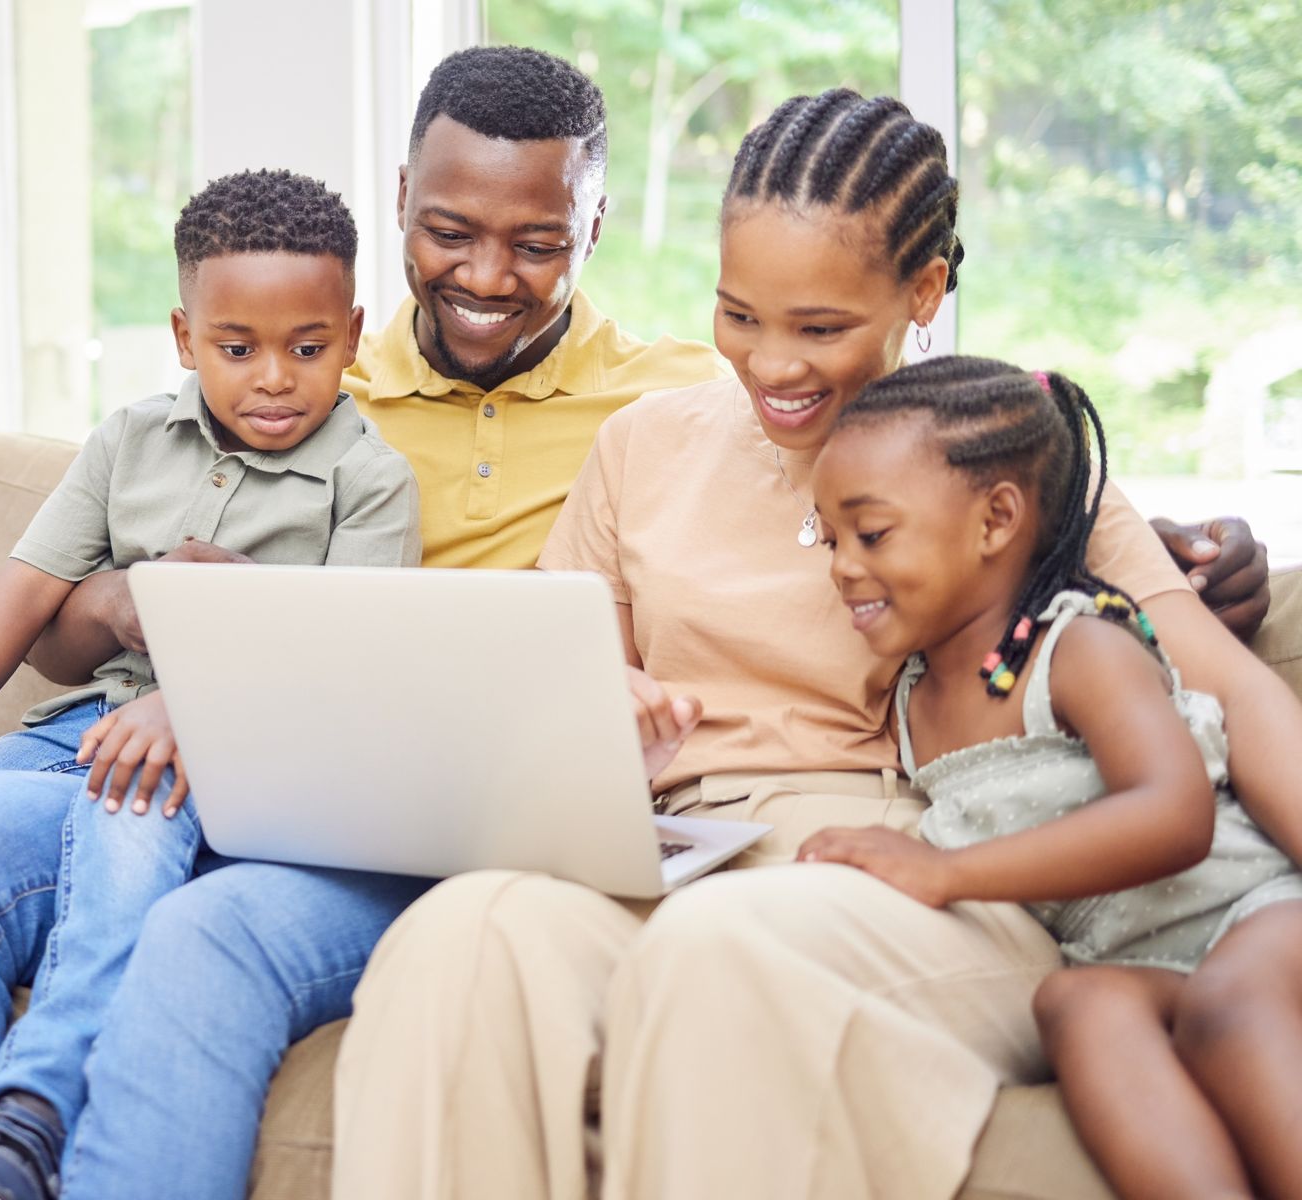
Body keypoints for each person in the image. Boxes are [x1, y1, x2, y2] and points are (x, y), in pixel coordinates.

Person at [330, 88, 1302, 1200]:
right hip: (660, 843)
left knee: (724, 958)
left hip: (903, 868)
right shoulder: (642, 446)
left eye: (821, 328)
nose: (771, 366)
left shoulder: (997, 463)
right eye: (738, 315)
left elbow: (1229, 693)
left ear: (923, 292)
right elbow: (563, 683)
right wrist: (599, 720)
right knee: (460, 938)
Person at [0, 169, 421, 1200]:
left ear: (355, 332)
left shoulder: (371, 484)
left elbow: (348, 664)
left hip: (228, 758)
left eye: (309, 347)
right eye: (238, 349)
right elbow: (25, 589)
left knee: (132, 799)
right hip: (73, 729)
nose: (275, 378)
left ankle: (35, 1108)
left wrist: (192, 705)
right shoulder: (131, 441)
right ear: (186, 337)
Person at [802, 355, 1302, 1200]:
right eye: (830, 538)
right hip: (1136, 958)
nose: (844, 566)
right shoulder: (914, 701)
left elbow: (1177, 814)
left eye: (873, 533)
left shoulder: (1078, 649)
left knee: (1228, 1012)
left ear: (997, 519)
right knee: (1076, 1011)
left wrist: (946, 873)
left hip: (1255, 914)